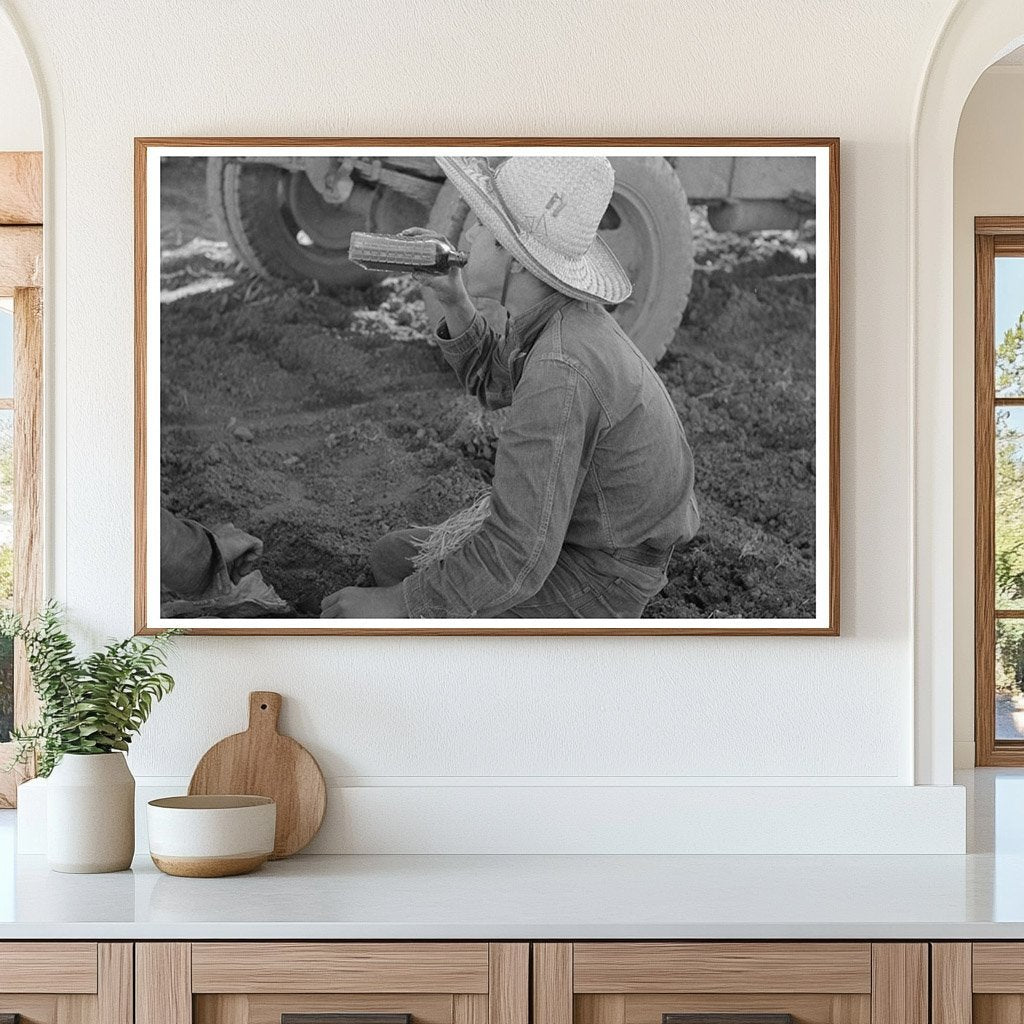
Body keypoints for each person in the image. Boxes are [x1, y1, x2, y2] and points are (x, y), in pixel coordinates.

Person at [321, 155, 699, 619]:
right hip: (580, 539)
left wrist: (402, 605)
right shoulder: (562, 322)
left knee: (401, 596)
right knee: (391, 557)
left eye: (482, 226)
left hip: (602, 574)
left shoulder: (562, 367)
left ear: (518, 262)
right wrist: (454, 298)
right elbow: (497, 380)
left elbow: (518, 553)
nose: (470, 237)